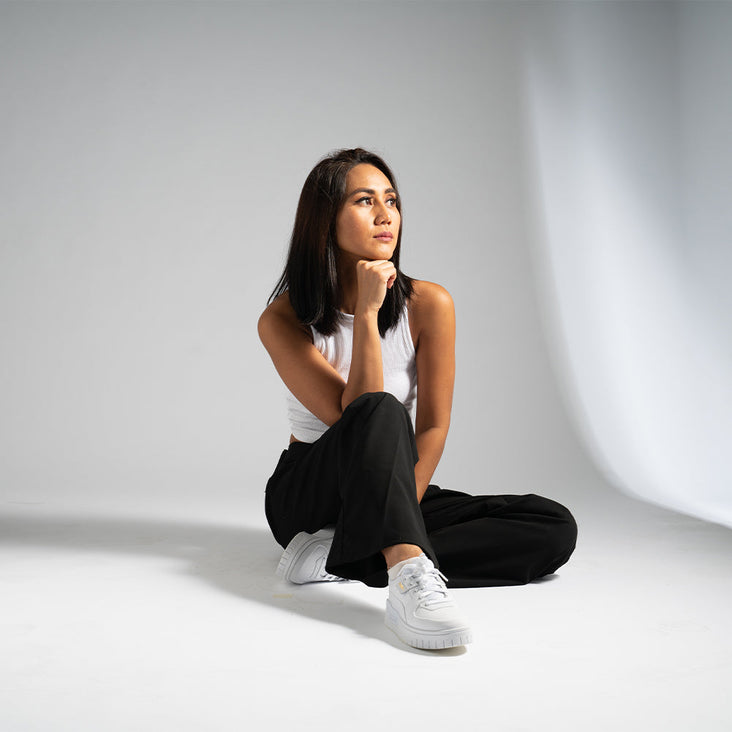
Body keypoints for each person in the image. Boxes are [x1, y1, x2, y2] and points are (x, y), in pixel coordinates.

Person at [258, 148, 577, 650]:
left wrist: (401, 504)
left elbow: (432, 427)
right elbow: (354, 415)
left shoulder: (429, 304)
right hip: (311, 498)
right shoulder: (283, 319)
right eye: (365, 201)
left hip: (393, 480)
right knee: (381, 408)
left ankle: (346, 557)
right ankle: (407, 578)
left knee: (551, 526)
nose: (386, 215)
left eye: (391, 200)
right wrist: (367, 312)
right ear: (325, 221)